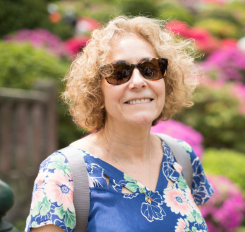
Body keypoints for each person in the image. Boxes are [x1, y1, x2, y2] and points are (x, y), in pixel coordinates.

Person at [25, 16, 214, 232]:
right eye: (119, 73)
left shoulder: (182, 157)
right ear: (97, 91)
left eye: (150, 68)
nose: (138, 82)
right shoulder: (61, 173)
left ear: (166, 80)